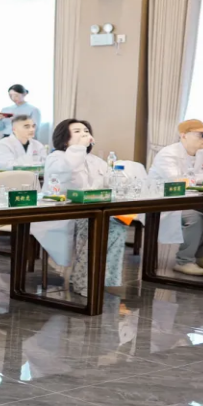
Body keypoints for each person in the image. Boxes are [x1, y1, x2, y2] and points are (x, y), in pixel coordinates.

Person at [31, 119, 127, 296]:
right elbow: (69, 180)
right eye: (77, 131)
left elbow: (110, 182)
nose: (83, 134)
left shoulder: (95, 160)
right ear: (64, 139)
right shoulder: (57, 158)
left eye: (86, 131)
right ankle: (84, 282)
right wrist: (78, 149)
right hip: (61, 213)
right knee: (91, 226)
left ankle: (101, 279)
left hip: (90, 211)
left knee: (117, 227)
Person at [147, 119, 203, 276]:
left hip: (194, 201)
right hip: (166, 203)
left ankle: (199, 256)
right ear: (183, 135)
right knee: (196, 218)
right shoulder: (168, 154)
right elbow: (177, 180)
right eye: (201, 135)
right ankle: (184, 261)